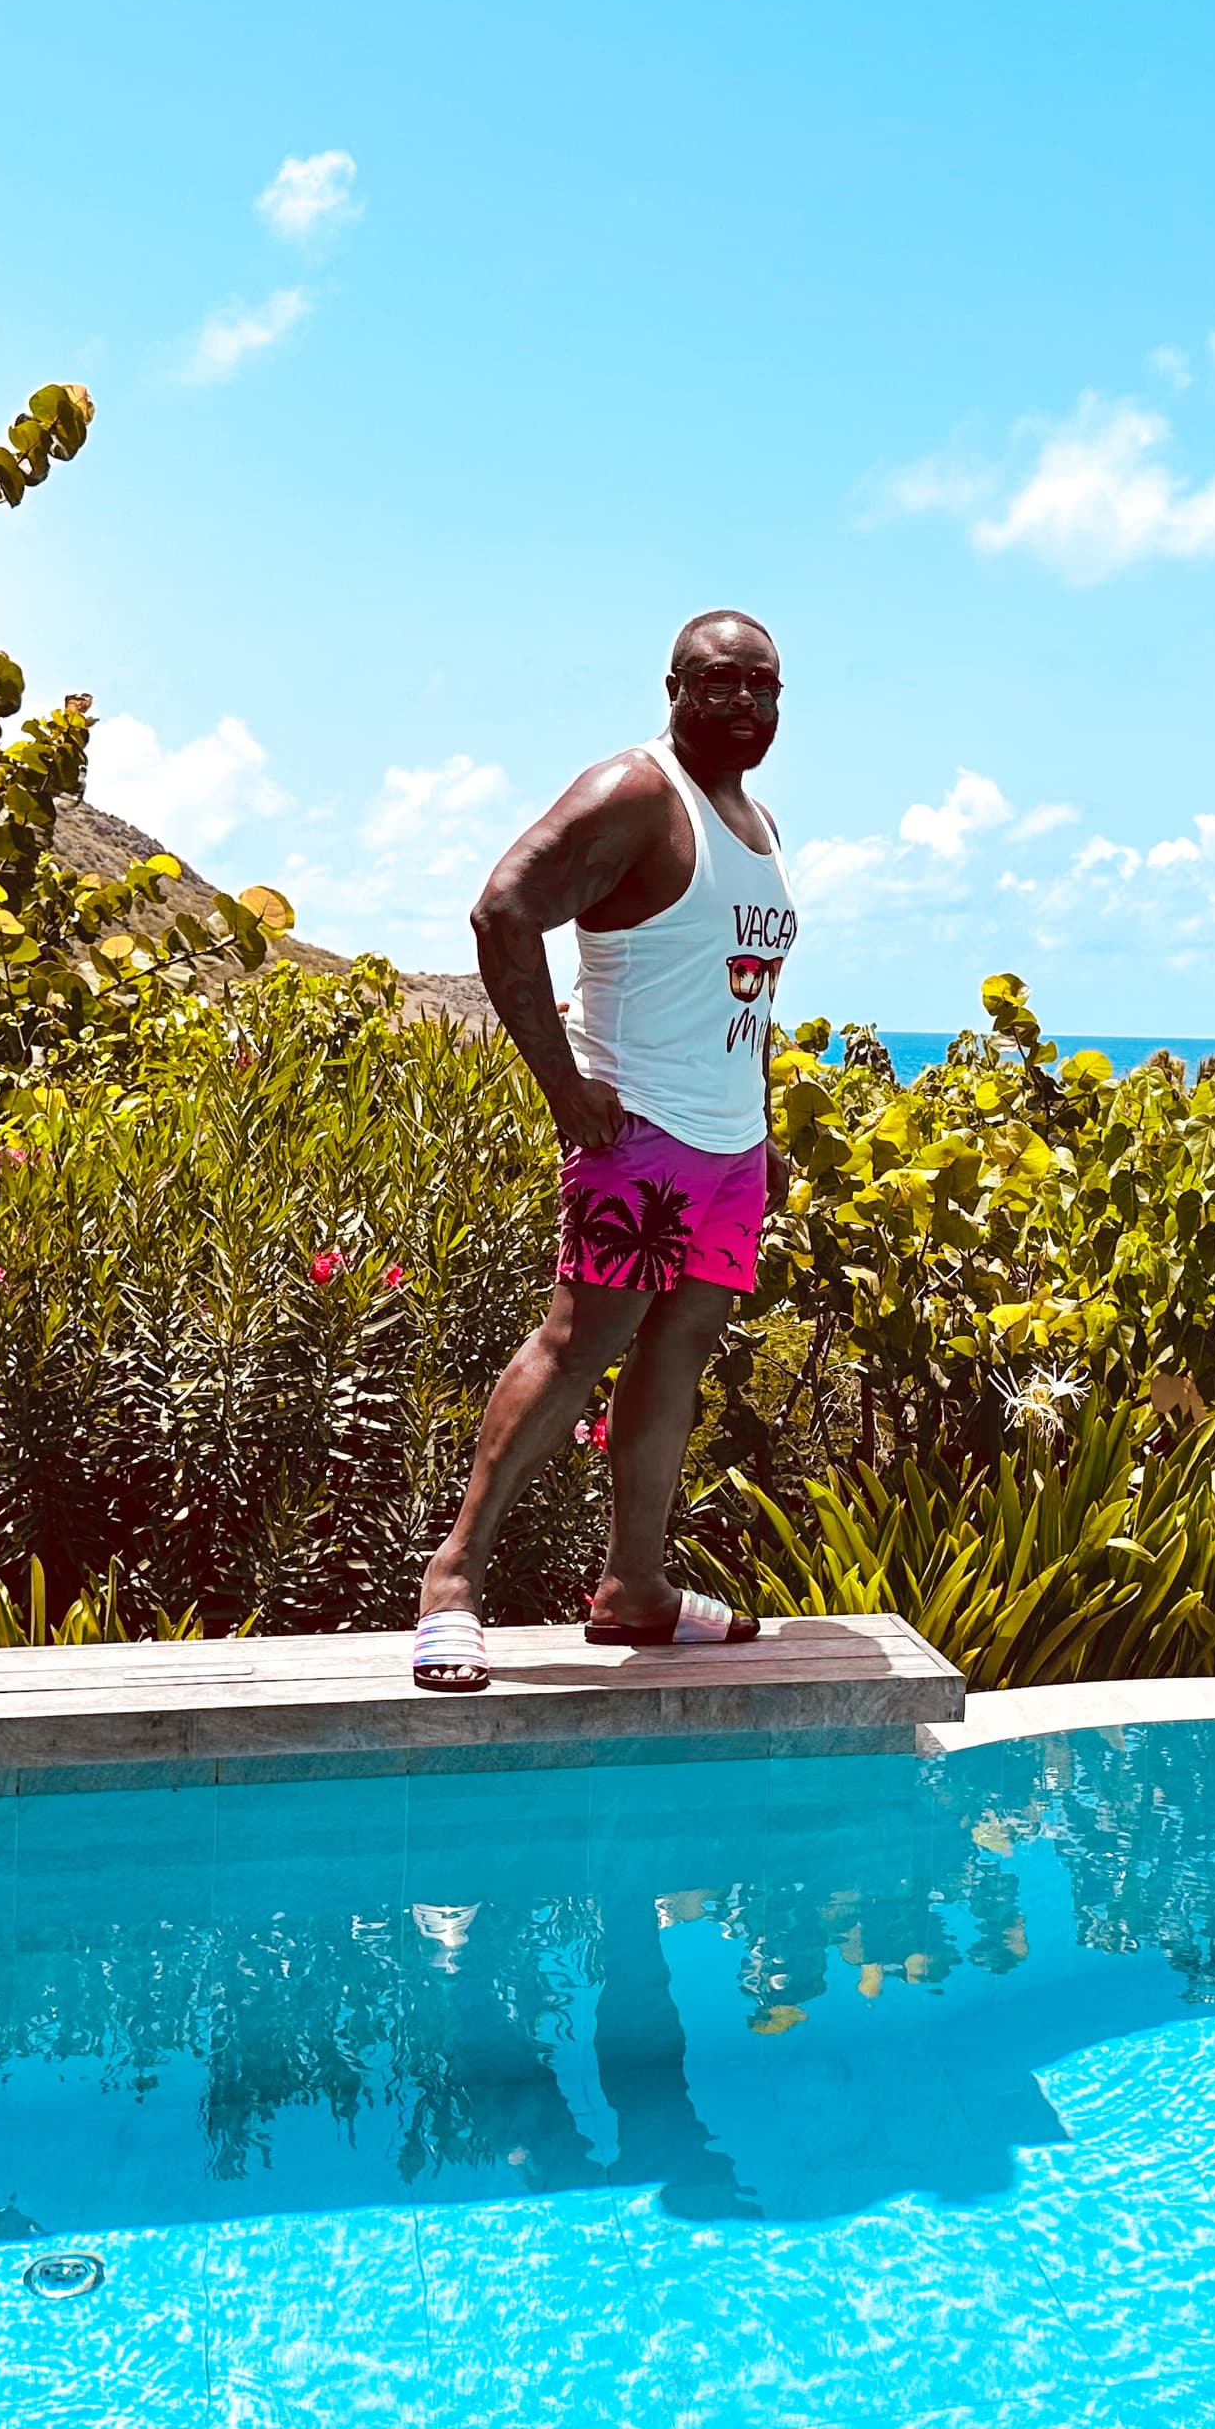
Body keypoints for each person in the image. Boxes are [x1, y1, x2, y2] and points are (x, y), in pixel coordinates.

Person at [409, 610, 801, 1690]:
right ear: (674, 689)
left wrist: (761, 1127)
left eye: (763, 685)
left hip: (727, 1148)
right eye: (718, 682)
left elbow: (746, 996)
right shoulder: (635, 792)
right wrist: (563, 1086)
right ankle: (453, 1582)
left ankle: (635, 1588)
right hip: (640, 1135)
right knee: (579, 1344)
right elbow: (503, 911)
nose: (744, 701)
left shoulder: (756, 823)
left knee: (679, 1352)